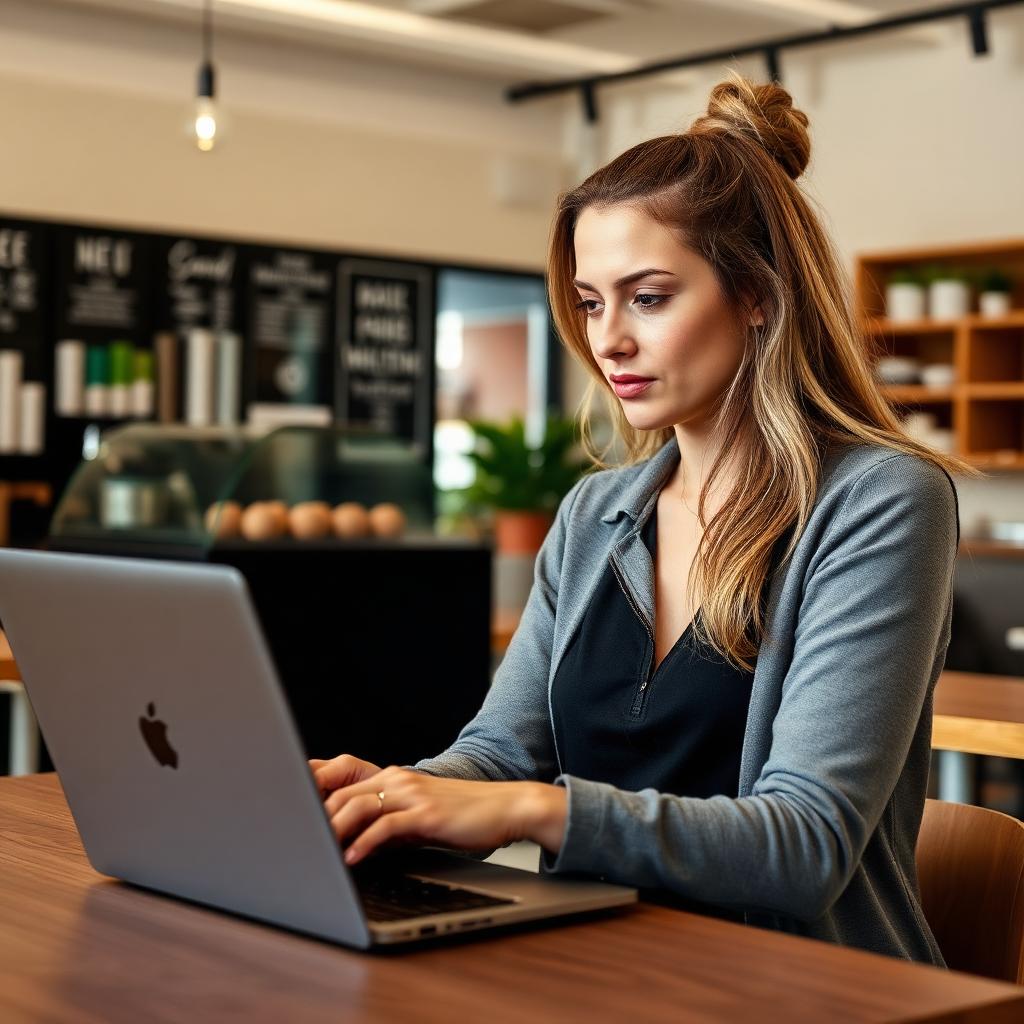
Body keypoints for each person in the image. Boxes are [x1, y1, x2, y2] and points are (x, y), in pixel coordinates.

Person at [310, 73, 981, 964]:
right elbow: (500, 754)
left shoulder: (881, 501)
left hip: (801, 988)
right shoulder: (597, 512)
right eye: (592, 302)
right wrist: (395, 796)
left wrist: (534, 809)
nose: (608, 340)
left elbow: (806, 845)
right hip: (591, 967)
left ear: (760, 297)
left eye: (649, 297)